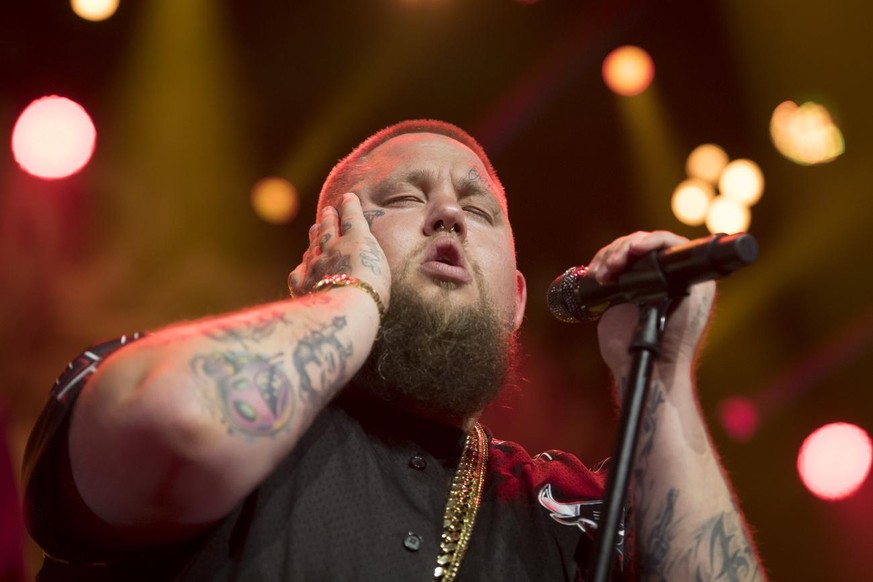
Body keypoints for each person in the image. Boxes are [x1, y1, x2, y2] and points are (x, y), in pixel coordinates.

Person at [23, 119, 764, 581]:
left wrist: (661, 373)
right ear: (318, 257)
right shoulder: (197, 375)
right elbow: (176, 425)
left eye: (477, 209)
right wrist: (348, 296)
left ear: (513, 300)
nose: (448, 212)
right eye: (405, 198)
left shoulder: (562, 509)